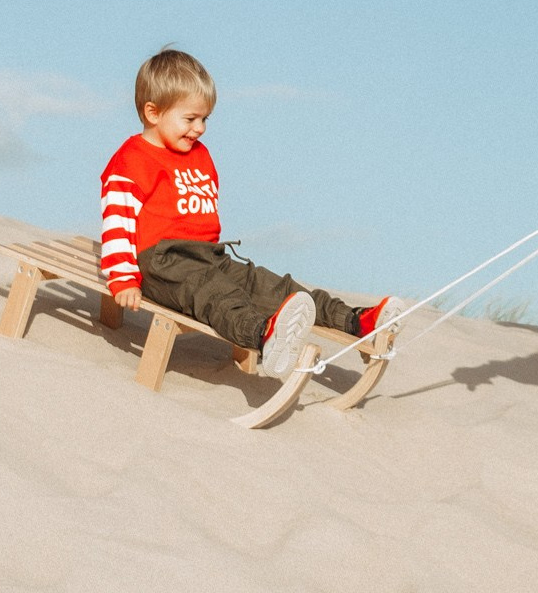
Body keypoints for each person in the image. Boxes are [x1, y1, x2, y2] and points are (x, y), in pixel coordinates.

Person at [100, 48, 405, 376]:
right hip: (164, 264)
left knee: (274, 287)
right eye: (190, 119)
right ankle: (264, 336)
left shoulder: (198, 154)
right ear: (153, 112)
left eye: (205, 119)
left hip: (209, 256)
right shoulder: (133, 160)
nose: (200, 128)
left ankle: (356, 320)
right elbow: (117, 222)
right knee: (216, 295)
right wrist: (123, 279)